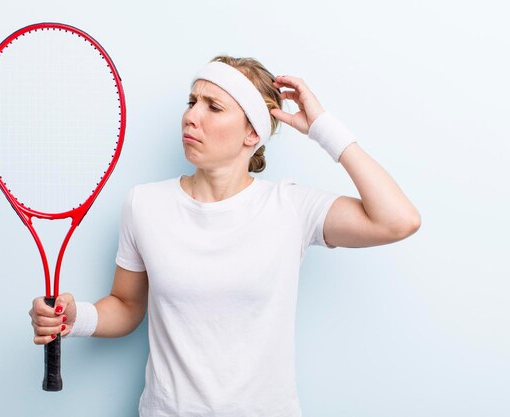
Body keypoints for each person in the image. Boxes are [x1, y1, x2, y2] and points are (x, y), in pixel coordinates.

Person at [29, 55, 421, 416]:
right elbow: (127, 305)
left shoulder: (291, 207)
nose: (191, 116)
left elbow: (397, 220)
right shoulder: (144, 204)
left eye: (213, 107)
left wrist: (323, 130)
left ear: (253, 133)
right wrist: (74, 317)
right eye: (192, 101)